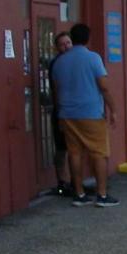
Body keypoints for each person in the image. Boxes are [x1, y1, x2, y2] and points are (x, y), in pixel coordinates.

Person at [52, 22, 120, 207]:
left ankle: (79, 193)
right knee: (99, 153)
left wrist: (60, 114)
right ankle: (102, 194)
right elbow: (103, 87)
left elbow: (57, 91)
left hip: (67, 113)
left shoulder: (59, 62)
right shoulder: (93, 58)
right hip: (90, 112)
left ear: (72, 39)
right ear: (88, 38)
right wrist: (113, 109)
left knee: (74, 153)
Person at [46, 30, 73, 196]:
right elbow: (56, 91)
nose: (66, 47)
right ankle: (62, 183)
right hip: (61, 111)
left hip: (77, 111)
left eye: (68, 43)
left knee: (75, 149)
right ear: (57, 48)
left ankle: (75, 181)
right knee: (62, 148)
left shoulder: (77, 63)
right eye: (62, 44)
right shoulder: (56, 64)